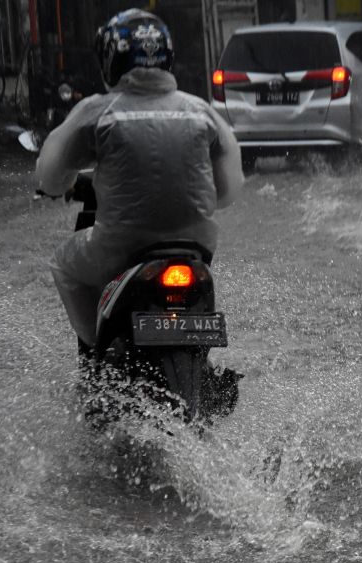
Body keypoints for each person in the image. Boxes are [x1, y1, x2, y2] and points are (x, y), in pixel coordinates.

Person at [36, 8, 244, 355]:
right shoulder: (200, 111)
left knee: (63, 264)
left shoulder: (98, 111)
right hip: (196, 248)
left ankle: (98, 356)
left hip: (120, 248)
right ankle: (200, 361)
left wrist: (62, 183)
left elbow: (51, 177)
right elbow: (227, 192)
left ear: (110, 59)